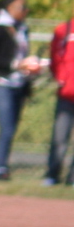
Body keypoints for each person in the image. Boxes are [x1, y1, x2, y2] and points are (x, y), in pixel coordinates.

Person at [0, 0, 45, 181]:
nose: (25, 10)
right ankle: (0, 168)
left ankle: (3, 164)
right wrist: (15, 65)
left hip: (20, 84)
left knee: (12, 126)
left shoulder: (23, 29)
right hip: (3, 84)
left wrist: (31, 69)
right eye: (22, 7)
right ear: (10, 8)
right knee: (7, 127)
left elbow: (22, 55)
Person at [47, 15, 74, 188]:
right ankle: (52, 175)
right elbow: (54, 57)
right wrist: (60, 78)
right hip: (66, 94)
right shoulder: (64, 30)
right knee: (60, 137)